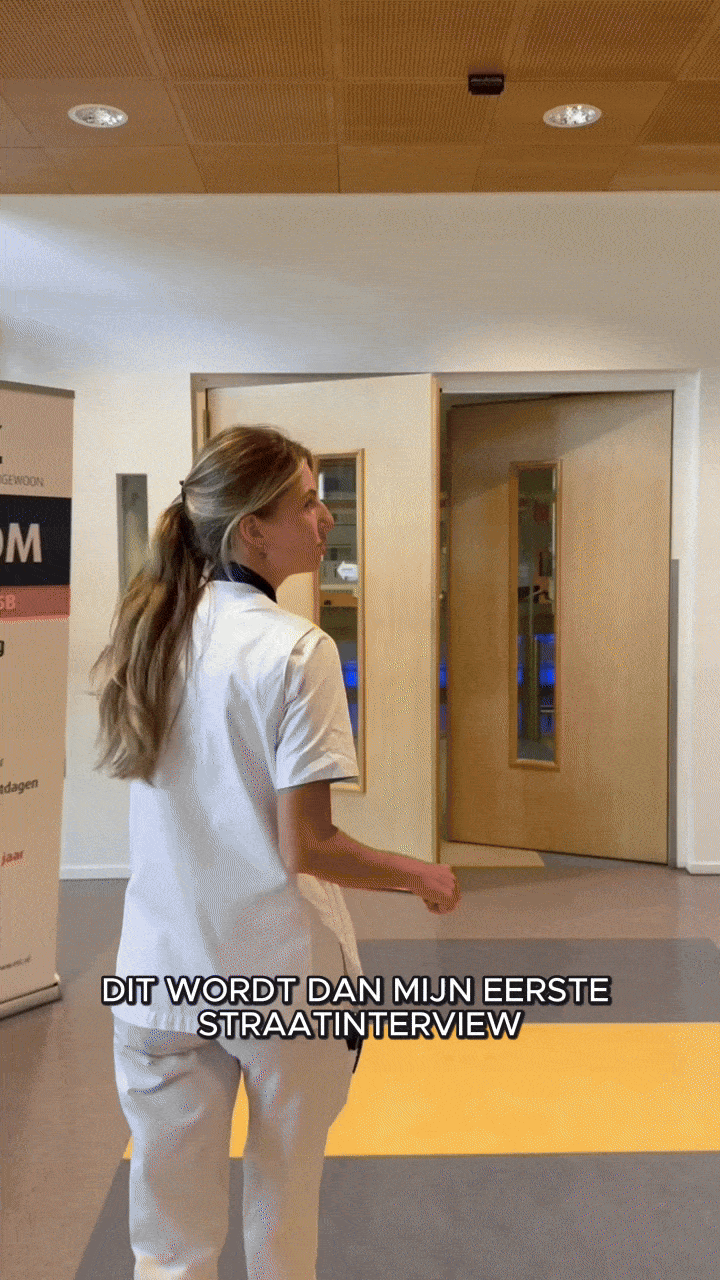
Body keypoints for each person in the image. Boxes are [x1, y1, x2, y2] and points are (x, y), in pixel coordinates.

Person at [89, 424, 461, 1280]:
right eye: (305, 501)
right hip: (279, 975)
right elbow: (312, 844)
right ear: (253, 529)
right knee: (283, 1208)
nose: (324, 516)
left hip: (160, 976)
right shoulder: (299, 650)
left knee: (169, 1241)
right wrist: (421, 876)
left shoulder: (148, 637)